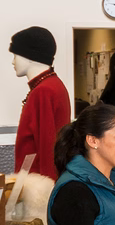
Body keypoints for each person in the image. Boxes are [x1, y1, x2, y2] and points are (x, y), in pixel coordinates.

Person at [10, 26, 70, 181]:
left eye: (16, 55)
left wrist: (49, 190)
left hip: (36, 184)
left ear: (30, 57)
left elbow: (47, 146)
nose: (13, 62)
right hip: (36, 180)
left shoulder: (43, 91)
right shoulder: (50, 85)